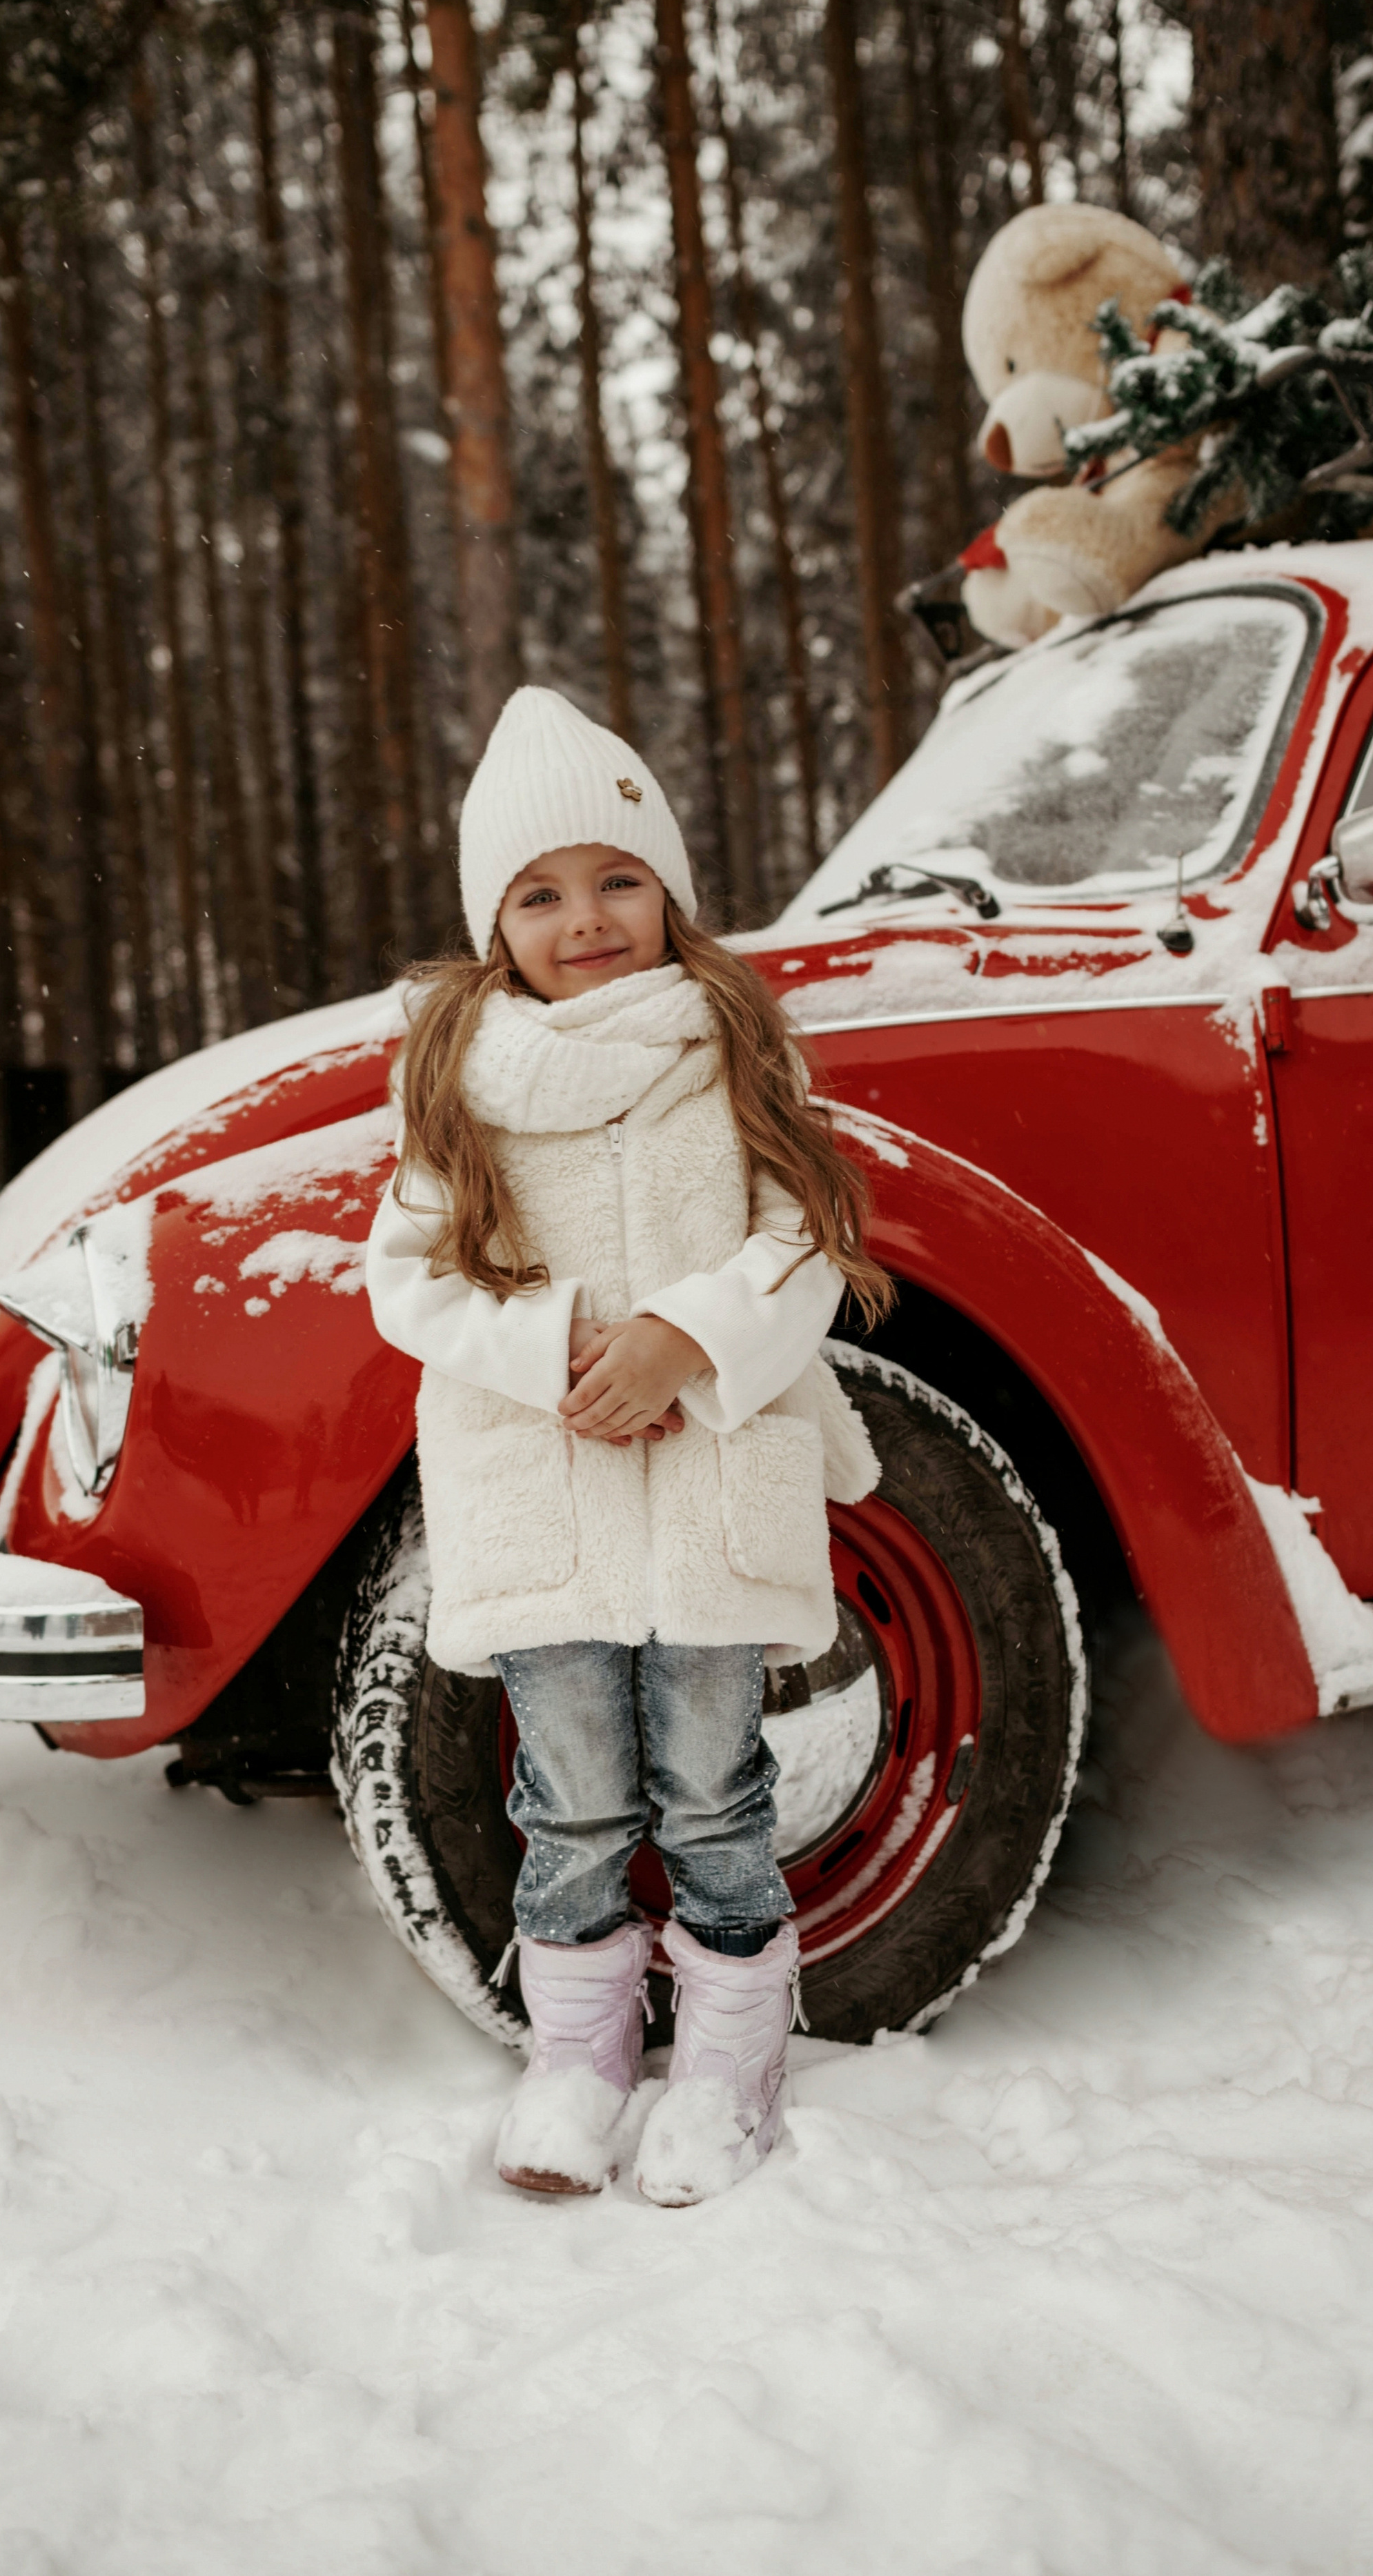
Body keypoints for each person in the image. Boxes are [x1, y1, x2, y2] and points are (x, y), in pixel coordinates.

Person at [366, 686, 889, 2207]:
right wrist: (556, 1358)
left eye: (616, 878)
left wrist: (687, 1341)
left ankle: (726, 2064)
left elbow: (803, 1240)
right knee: (575, 1792)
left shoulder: (730, 1046)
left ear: (667, 888)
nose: (583, 917)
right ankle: (579, 2059)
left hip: (712, 1476)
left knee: (714, 1790)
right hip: (546, 1486)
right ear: (493, 923)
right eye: (538, 892)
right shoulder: (459, 1076)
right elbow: (409, 1278)